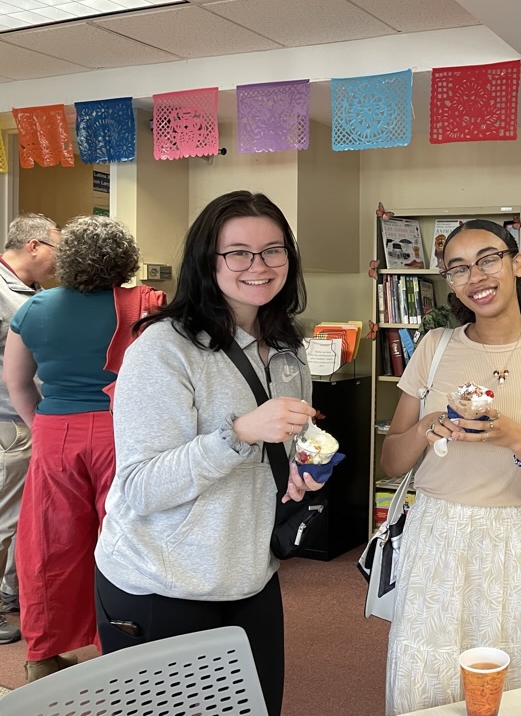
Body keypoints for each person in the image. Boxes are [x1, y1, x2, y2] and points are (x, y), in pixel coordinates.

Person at [93, 191, 322, 716]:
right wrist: (238, 432)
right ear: (207, 260)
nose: (258, 266)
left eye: (273, 251)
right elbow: (142, 487)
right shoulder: (163, 348)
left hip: (248, 575)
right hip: (161, 583)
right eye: (237, 252)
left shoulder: (288, 347)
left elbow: (279, 447)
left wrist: (295, 473)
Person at [381, 219, 521, 715]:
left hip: (510, 541)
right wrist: (426, 427)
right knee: (428, 678)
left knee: (507, 683)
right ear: (449, 281)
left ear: (518, 264)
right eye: (458, 268)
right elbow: (392, 460)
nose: (476, 276)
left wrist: (519, 439)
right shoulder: (434, 348)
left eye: (488, 259)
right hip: (435, 533)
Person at [3, 215, 152, 681]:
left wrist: (45, 427)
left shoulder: (35, 308)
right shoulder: (146, 304)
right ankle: (126, 647)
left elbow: (18, 383)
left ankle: (42, 656)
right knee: (128, 541)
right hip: (122, 432)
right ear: (124, 258)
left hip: (54, 432)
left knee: (49, 545)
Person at [0, 213, 60, 644]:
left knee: (21, 517)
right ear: (34, 246)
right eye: (57, 249)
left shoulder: (31, 293)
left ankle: (9, 594)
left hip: (29, 420)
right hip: (7, 424)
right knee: (3, 522)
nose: (60, 261)